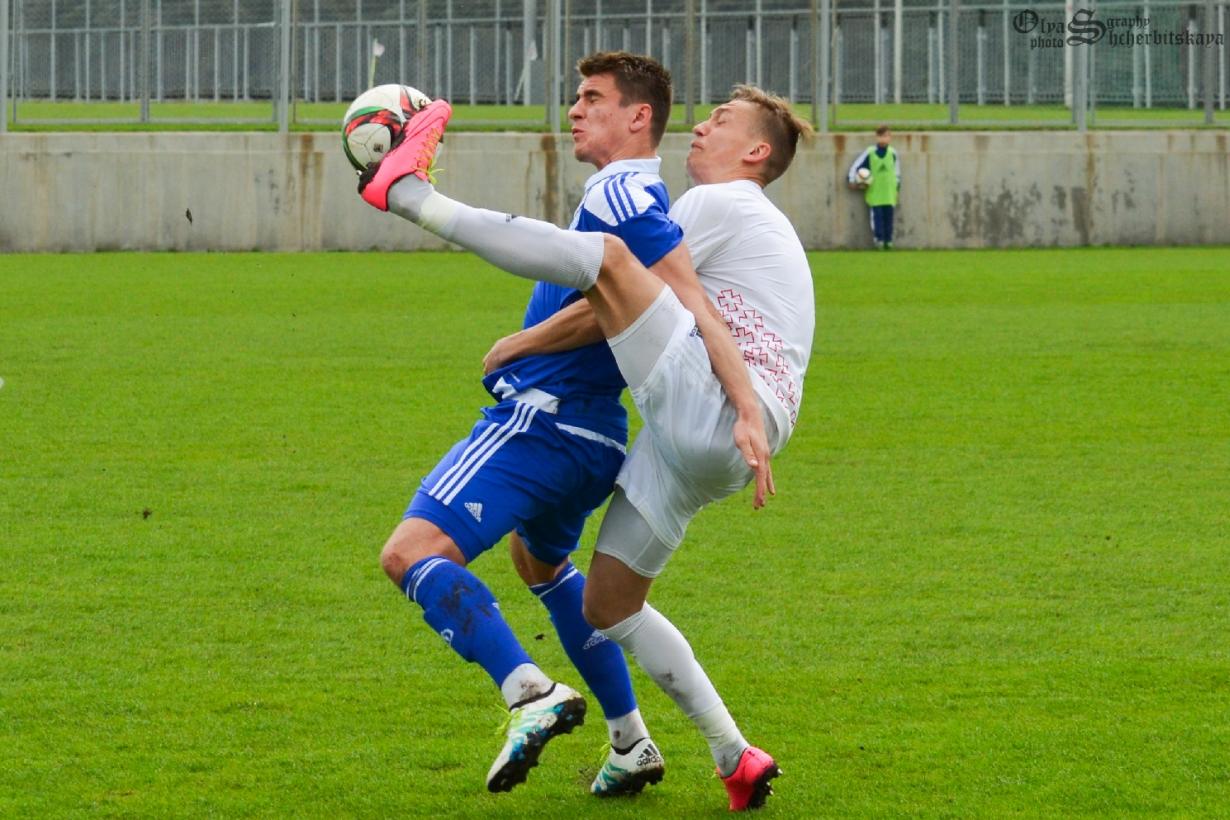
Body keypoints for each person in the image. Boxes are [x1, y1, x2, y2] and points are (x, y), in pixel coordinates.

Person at [359, 84, 814, 812]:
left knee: (607, 254)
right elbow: (650, 304)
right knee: (609, 604)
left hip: (720, 409)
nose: (701, 127)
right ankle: (733, 754)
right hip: (713, 442)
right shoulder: (753, 223)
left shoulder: (721, 201)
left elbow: (634, 288)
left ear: (757, 152)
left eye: (722, 122)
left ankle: (413, 197)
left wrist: (521, 342)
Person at [376, 51, 686, 797]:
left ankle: (528, 692)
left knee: (409, 553)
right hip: (594, 435)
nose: (575, 109)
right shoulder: (632, 193)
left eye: (593, 98)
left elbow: (653, 297)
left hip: (544, 419)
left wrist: (523, 343)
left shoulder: (622, 191)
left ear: (639, 116)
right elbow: (630, 294)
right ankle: (630, 740)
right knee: (541, 567)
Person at [847, 124, 901, 249]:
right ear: (877, 137)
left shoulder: (893, 153)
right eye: (881, 136)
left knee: (889, 218)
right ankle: (879, 240)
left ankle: (888, 241)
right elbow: (856, 166)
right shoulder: (870, 152)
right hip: (875, 193)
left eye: (886, 136)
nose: (884, 139)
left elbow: (897, 173)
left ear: (890, 138)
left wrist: (897, 188)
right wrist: (851, 180)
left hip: (889, 193)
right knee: (877, 218)